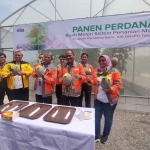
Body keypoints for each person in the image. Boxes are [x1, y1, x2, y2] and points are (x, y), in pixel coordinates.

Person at [94, 55, 122, 144]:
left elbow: (119, 85)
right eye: (100, 60)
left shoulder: (114, 71)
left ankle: (105, 135)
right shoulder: (97, 71)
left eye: (103, 60)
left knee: (108, 118)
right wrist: (90, 81)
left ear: (107, 60)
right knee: (96, 117)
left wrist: (111, 89)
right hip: (98, 99)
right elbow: (95, 83)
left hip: (109, 101)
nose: (101, 62)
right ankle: (97, 135)